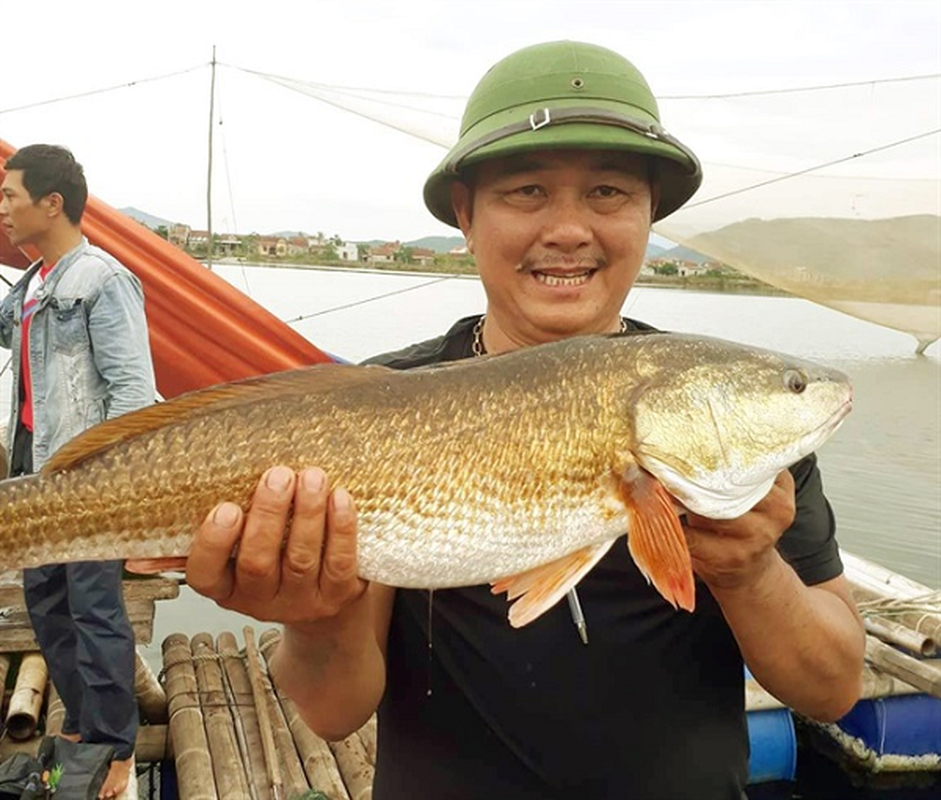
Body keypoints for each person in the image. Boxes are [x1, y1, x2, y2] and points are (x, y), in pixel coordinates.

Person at [185, 42, 866, 799]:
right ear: (465, 215)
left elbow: (833, 689)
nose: (568, 228)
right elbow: (334, 711)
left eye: (608, 191)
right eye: (527, 191)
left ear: (648, 214)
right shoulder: (376, 405)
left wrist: (750, 571)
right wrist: (315, 616)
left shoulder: (739, 440)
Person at [0, 144, 156, 799]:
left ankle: (115, 747)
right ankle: (79, 724)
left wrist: (108, 480)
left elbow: (133, 392)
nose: (2, 208)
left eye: (10, 195)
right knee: (48, 605)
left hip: (85, 482)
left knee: (95, 610)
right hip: (35, 473)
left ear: (52, 203)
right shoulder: (32, 284)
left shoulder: (103, 280)